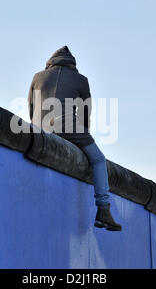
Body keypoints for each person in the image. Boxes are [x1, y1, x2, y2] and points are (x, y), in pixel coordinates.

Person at [28, 46, 122, 231]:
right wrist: (81, 137)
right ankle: (103, 210)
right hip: (68, 125)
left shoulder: (37, 77)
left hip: (40, 127)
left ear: (50, 62)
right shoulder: (81, 80)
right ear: (73, 64)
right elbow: (85, 115)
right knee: (98, 159)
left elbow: (31, 109)